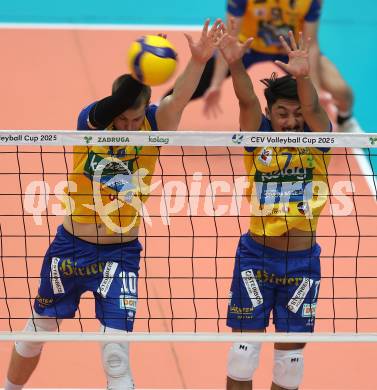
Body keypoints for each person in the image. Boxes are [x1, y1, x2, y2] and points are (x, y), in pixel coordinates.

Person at [4, 19, 221, 390]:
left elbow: (178, 99)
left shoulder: (155, 124)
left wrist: (198, 62)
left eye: (136, 119)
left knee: (116, 355)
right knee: (36, 332)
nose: (129, 126)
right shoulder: (91, 122)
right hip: (71, 249)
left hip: (120, 255)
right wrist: (141, 76)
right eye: (123, 118)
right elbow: (116, 105)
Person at [215, 21, 331, 390]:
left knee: (290, 363)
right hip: (257, 257)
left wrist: (304, 78)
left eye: (297, 114)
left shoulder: (318, 141)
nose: (292, 121)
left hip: (301, 262)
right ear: (271, 112)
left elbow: (311, 107)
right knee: (243, 355)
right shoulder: (256, 136)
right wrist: (235, 65)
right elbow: (247, 99)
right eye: (283, 113)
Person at [166, 0, 361, 133]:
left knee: (343, 92)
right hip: (248, 46)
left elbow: (313, 44)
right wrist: (216, 84)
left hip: (291, 49)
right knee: (200, 80)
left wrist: (316, 89)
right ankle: (158, 109)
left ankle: (344, 119)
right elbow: (230, 37)